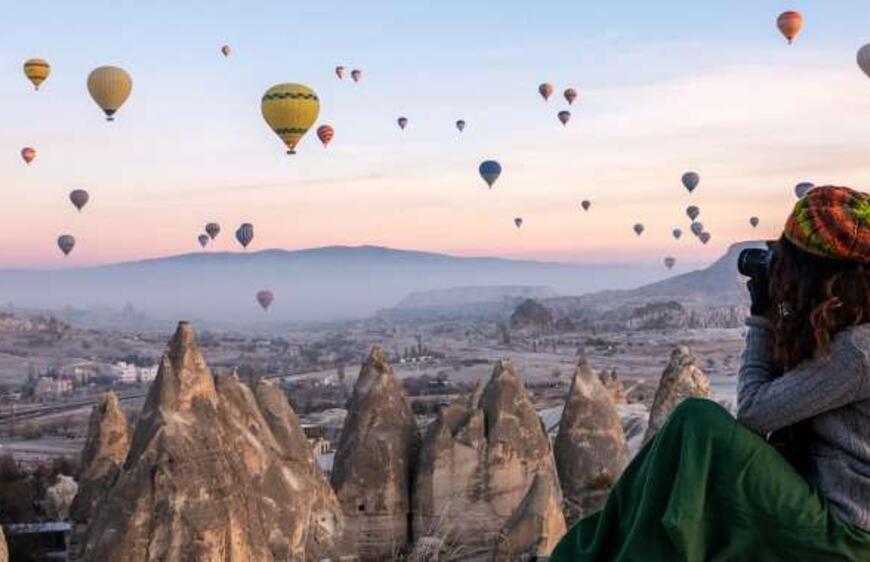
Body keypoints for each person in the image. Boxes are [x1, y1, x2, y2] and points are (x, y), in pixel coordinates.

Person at [551, 186, 870, 561]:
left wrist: (762, 318)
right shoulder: (848, 329)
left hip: (844, 538)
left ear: (819, 274)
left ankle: (603, 551)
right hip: (830, 514)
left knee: (697, 421)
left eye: (789, 259)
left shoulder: (859, 351)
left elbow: (753, 412)